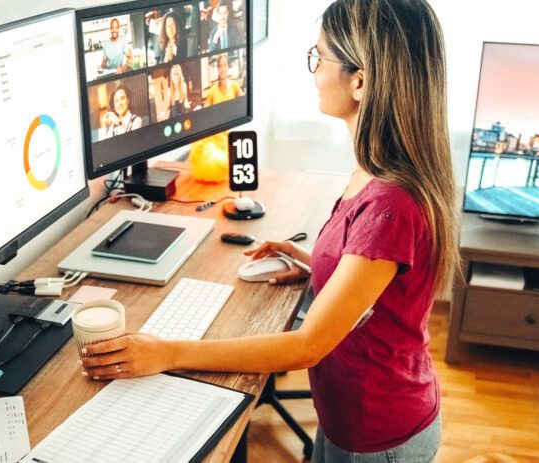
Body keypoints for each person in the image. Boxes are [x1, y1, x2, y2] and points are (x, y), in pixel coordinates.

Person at [80, 0, 458, 461]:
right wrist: (310, 263)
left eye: (318, 58)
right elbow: (376, 280)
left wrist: (168, 353)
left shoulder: (390, 205)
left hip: (376, 432)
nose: (314, 70)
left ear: (360, 80)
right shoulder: (378, 172)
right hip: (355, 411)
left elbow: (306, 346)